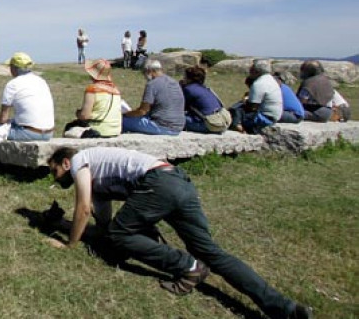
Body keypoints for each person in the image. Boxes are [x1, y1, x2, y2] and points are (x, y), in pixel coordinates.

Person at [46, 146, 313, 319]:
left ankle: (188, 266)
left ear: (66, 163)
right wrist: (62, 225)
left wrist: (69, 244)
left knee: (121, 236)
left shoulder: (82, 160)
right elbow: (101, 226)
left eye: (55, 171)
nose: (56, 179)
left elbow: (82, 208)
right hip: (176, 181)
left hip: (158, 184)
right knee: (210, 251)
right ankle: (287, 309)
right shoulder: (100, 179)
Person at [0, 52, 55, 141]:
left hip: (29, 133)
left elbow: (3, 118)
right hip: (48, 133)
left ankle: (2, 155)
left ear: (15, 68)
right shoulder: (41, 81)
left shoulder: (12, 84)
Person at [122, 60, 185, 135]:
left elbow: (142, 111)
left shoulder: (152, 84)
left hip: (162, 126)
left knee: (122, 121)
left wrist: (126, 114)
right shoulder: (174, 82)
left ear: (149, 71)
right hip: (178, 126)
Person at [65, 59, 121, 138]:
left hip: (98, 130)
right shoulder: (116, 90)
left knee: (69, 127)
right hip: (115, 131)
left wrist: (78, 113)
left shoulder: (93, 89)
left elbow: (85, 116)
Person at [228, 59, 282, 133]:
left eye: (251, 68)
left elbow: (252, 108)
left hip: (263, 119)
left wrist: (243, 103)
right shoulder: (270, 79)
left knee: (236, 110)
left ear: (256, 71)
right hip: (274, 116)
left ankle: (238, 126)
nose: (249, 71)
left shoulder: (259, 83)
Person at [181, 66, 228, 133]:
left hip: (210, 125)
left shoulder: (188, 89)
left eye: (185, 77)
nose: (183, 79)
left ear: (189, 78)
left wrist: (181, 88)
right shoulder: (205, 88)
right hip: (222, 122)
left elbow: (181, 106)